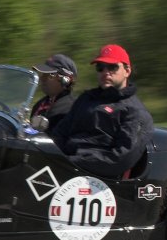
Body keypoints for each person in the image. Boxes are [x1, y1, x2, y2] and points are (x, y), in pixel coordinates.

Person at [50, 43, 153, 178]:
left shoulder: (135, 111)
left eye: (112, 67)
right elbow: (59, 134)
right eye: (100, 68)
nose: (105, 72)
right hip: (63, 167)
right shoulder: (85, 99)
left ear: (127, 71)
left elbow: (121, 158)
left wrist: (70, 163)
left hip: (95, 178)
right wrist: (51, 157)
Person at [30, 53, 78, 131]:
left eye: (49, 75)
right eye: (43, 74)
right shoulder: (38, 105)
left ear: (65, 80)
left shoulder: (72, 108)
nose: (42, 79)